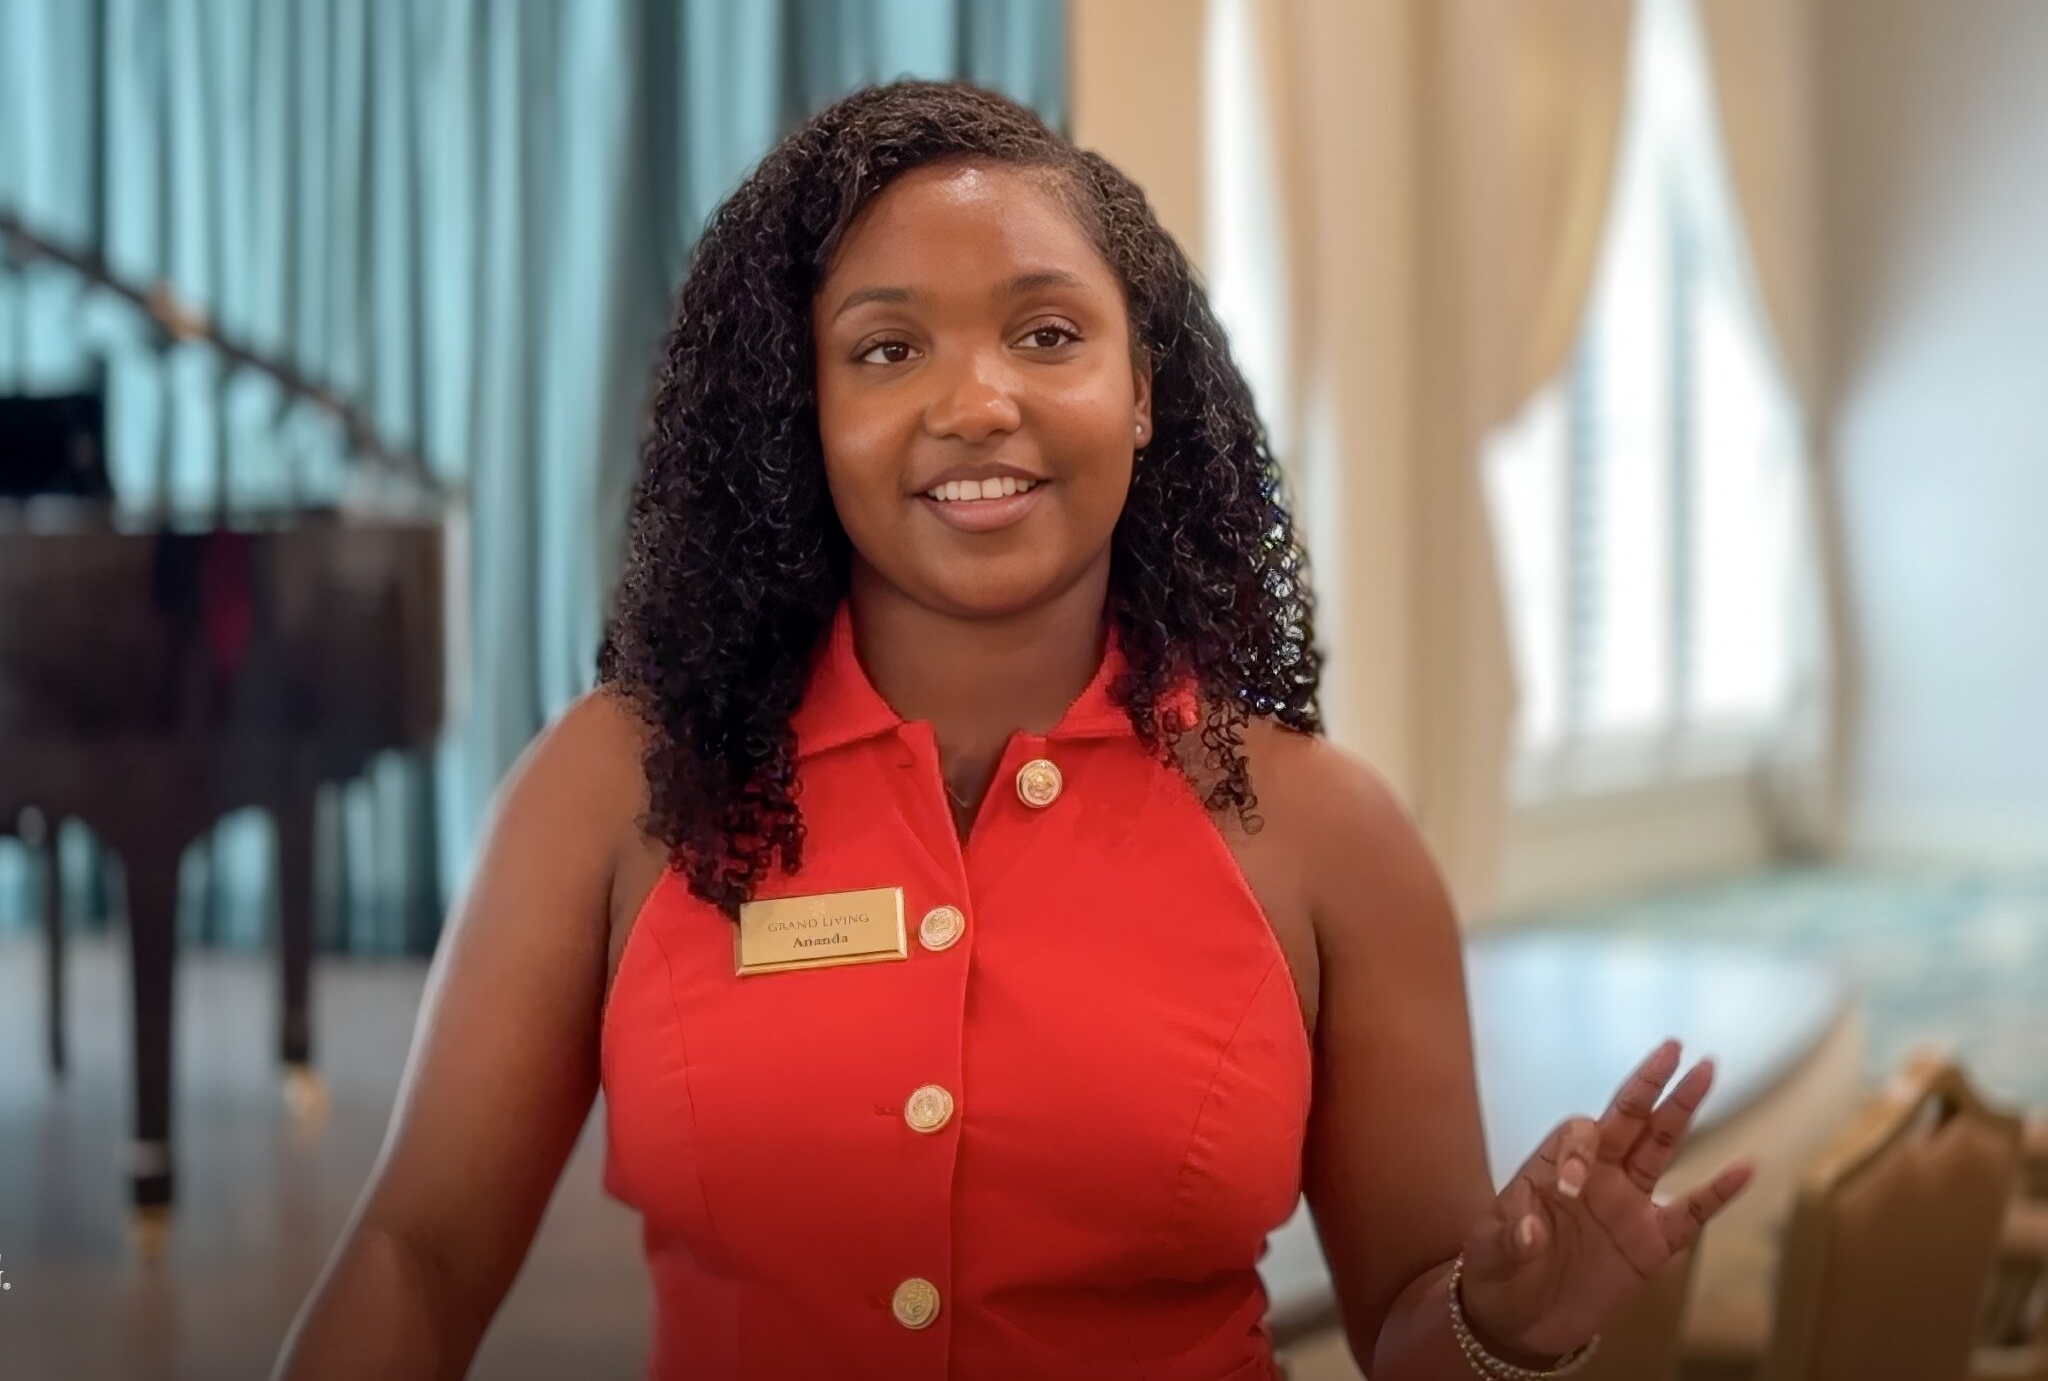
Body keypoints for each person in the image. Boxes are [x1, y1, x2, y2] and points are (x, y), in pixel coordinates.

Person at [276, 79, 1753, 1381]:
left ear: (1142, 392)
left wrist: (1508, 1322)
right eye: (886, 350)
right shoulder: (615, 787)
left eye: (1047, 335)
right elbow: (418, 1258)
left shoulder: (1332, 842)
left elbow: (1418, 1330)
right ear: (803, 408)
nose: (977, 404)